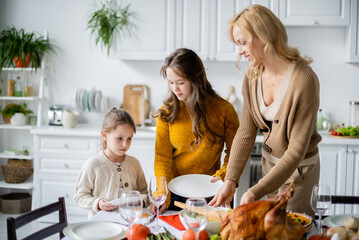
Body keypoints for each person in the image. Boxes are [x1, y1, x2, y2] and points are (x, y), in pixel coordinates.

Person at [209, 5, 321, 217]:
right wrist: (231, 180)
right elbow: (245, 132)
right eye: (237, 44)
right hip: (270, 169)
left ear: (264, 36)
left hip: (299, 173)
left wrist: (256, 190)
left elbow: (296, 151)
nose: (239, 51)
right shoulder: (252, 76)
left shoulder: (304, 80)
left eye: (243, 42)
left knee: (293, 231)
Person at [151, 48, 240, 214]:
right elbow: (162, 158)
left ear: (196, 79)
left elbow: (235, 151)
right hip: (174, 194)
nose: (175, 89)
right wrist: (163, 193)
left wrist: (223, 176)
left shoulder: (224, 110)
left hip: (213, 193)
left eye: (180, 82)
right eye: (171, 82)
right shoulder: (166, 112)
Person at [74, 108, 149, 218]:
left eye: (129, 138)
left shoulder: (134, 164)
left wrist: (140, 201)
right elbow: (79, 197)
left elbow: (145, 195)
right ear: (104, 135)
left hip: (130, 220)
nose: (125, 144)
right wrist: (98, 203)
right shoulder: (93, 164)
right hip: (101, 223)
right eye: (119, 138)